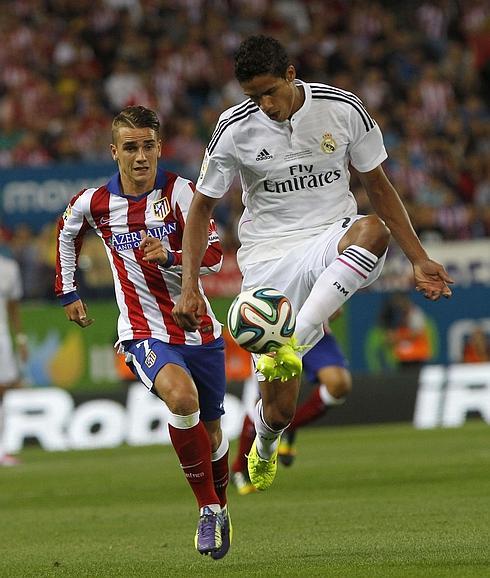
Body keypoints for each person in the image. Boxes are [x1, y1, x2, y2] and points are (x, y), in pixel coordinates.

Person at [173, 36, 453, 492]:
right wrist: (190, 286)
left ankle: (296, 337)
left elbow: (378, 186)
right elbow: (201, 210)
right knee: (280, 410)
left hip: (330, 235)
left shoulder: (342, 109)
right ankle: (264, 444)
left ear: (290, 74)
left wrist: (419, 258)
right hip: (267, 258)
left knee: (373, 230)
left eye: (269, 91)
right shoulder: (233, 128)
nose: (263, 104)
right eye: (252, 96)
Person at [55, 105, 231, 559]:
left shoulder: (182, 193)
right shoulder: (94, 202)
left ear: (159, 147)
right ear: (114, 151)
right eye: (130, 147)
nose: (140, 157)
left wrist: (172, 254)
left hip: (200, 331)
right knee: (182, 398)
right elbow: (66, 230)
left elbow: (214, 253)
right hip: (142, 331)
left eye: (148, 146)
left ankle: (221, 508)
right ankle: (208, 509)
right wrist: (68, 290)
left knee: (211, 434)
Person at [231, 328, 350, 494]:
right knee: (263, 402)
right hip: (270, 332)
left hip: (311, 329)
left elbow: (337, 310)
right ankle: (239, 468)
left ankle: (288, 427)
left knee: (339, 384)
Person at [0, 239, 28, 467]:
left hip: (1, 340)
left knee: (2, 392)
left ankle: (2, 450)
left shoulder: (8, 269)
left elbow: (13, 309)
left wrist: (20, 339)